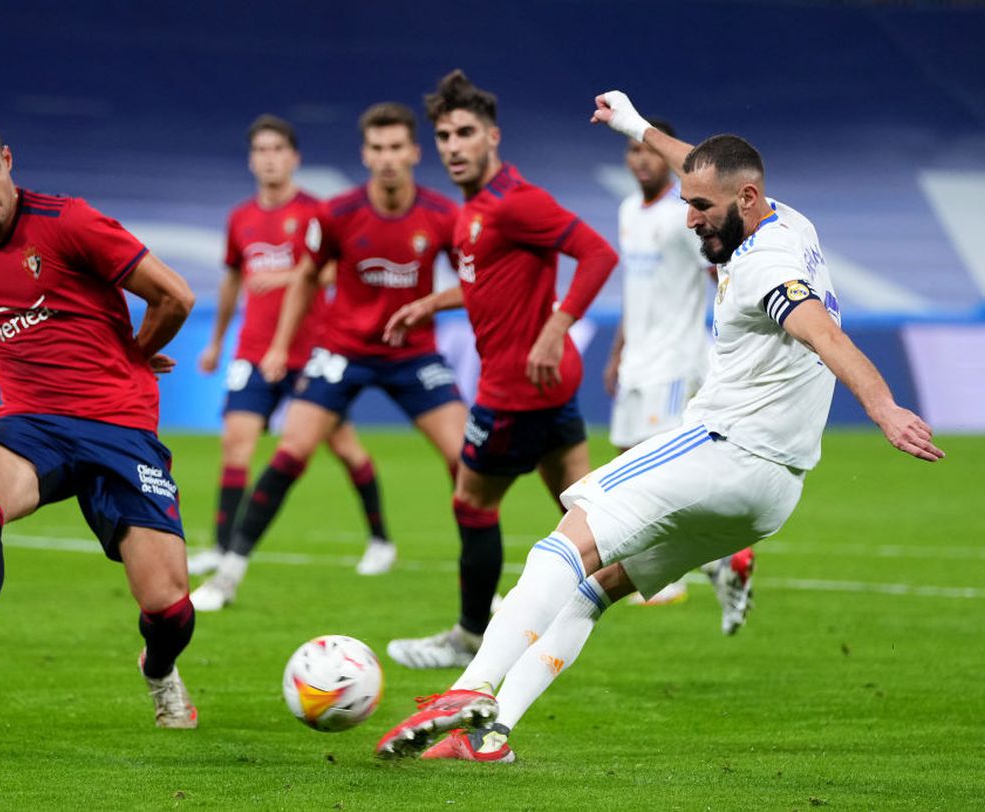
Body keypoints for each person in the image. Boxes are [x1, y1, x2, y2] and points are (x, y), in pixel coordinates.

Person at [373, 90, 943, 763]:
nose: (689, 216)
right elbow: (697, 168)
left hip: (724, 449)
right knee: (595, 588)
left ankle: (468, 688)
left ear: (748, 199)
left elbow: (820, 331)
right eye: (687, 201)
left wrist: (883, 408)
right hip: (772, 495)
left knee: (567, 536)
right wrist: (637, 125)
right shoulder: (787, 220)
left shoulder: (766, 266)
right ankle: (488, 736)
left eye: (701, 208)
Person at [0, 103, 201, 729]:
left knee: (167, 604)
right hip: (33, 424)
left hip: (119, 426)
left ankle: (159, 670)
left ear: (7, 160)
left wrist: (132, 355)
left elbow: (176, 295)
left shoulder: (70, 222)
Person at [381, 71, 618, 670]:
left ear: (493, 137)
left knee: (471, 503)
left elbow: (598, 253)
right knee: (584, 516)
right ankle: (605, 597)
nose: (453, 146)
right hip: (550, 384)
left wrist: (555, 326)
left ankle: (468, 635)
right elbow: (487, 282)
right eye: (443, 136)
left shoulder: (517, 202)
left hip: (514, 390)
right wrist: (432, 302)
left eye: (465, 133)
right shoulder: (474, 211)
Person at [190, 102, 467, 611]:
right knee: (289, 452)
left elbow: (475, 282)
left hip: (413, 352)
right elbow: (305, 281)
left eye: (395, 148)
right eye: (377, 148)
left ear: (413, 152)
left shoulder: (443, 215)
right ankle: (227, 576)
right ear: (365, 153)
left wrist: (432, 303)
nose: (386, 158)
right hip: (342, 349)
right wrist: (278, 344)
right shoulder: (336, 213)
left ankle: (479, 592)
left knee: (465, 459)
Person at [193, 115, 392, 580]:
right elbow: (233, 281)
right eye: (261, 151)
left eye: (277, 150)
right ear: (251, 160)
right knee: (235, 445)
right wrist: (217, 341)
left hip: (311, 352)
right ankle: (223, 549)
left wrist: (285, 277)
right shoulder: (240, 217)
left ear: (294, 158)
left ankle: (381, 540)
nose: (269, 159)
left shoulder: (316, 213)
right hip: (253, 351)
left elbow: (331, 271)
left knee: (344, 448)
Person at [603, 116, 755, 627]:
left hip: (675, 363)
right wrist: (617, 351)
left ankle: (668, 577)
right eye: (630, 152)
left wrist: (729, 346)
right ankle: (717, 560)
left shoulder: (685, 215)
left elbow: (722, 273)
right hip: (638, 364)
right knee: (629, 471)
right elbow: (634, 290)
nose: (639, 160)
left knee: (654, 476)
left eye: (646, 151)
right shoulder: (629, 211)